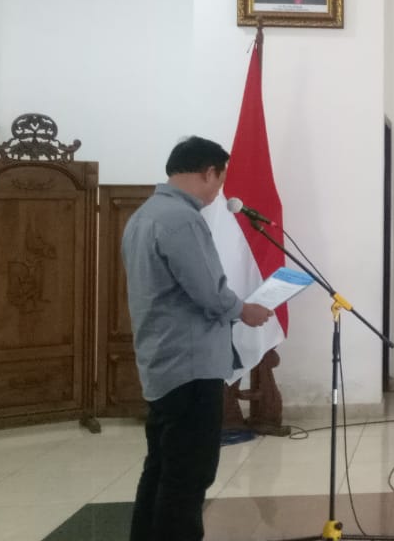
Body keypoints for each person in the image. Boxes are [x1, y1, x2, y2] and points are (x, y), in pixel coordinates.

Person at [123, 136, 273, 541]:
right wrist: (244, 310)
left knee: (161, 467)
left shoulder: (144, 215)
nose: (217, 193)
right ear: (209, 172)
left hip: (162, 361)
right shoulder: (182, 219)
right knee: (189, 475)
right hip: (190, 366)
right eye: (220, 182)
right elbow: (208, 291)